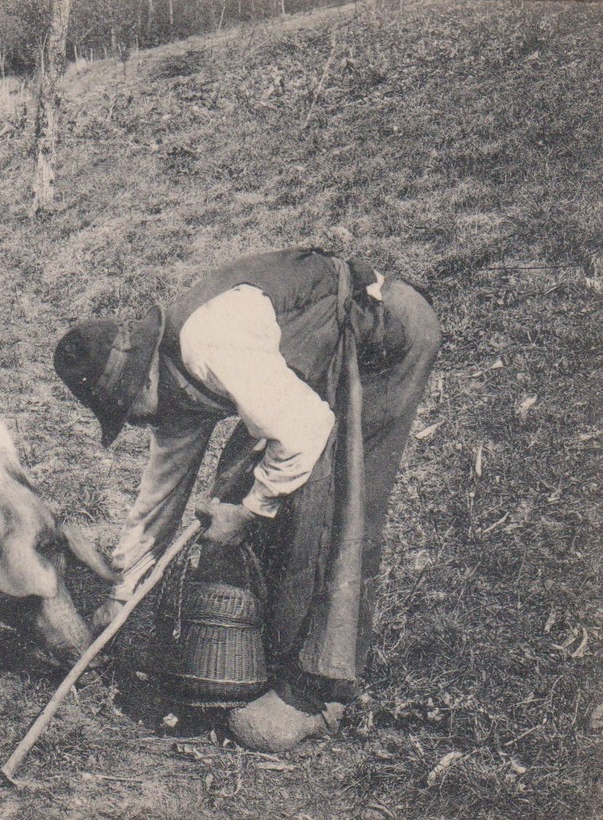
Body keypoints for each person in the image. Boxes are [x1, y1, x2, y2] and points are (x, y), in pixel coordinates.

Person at [53, 248, 440, 752]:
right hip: (311, 373)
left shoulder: (210, 344)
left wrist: (250, 512)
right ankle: (269, 650)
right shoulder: (168, 382)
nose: (134, 423)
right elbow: (161, 494)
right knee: (244, 480)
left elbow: (305, 430)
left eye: (126, 410)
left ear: (144, 378)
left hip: (382, 341)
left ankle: (316, 693)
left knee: (331, 503)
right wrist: (121, 594)